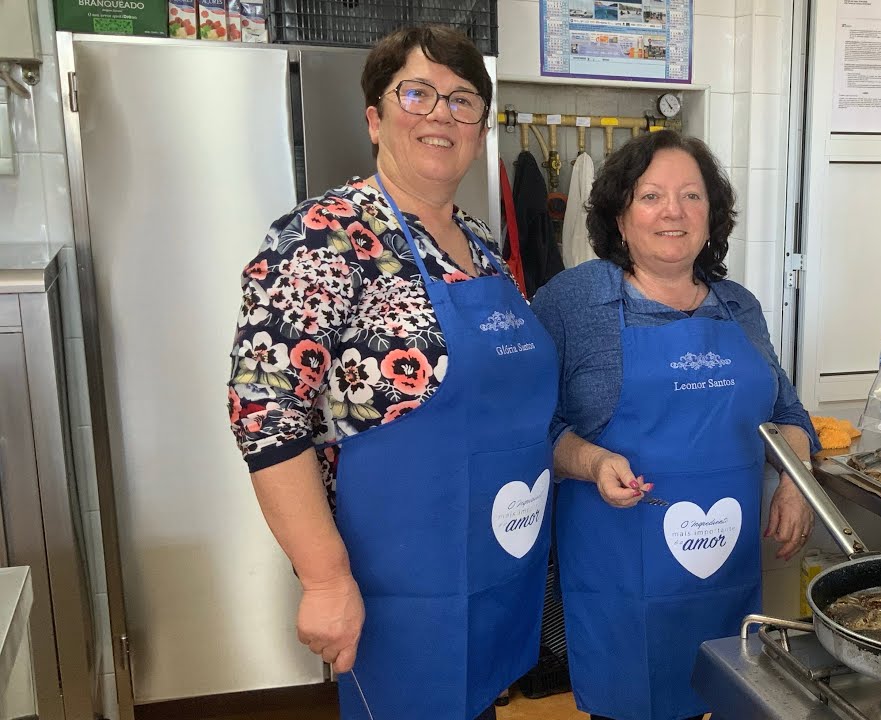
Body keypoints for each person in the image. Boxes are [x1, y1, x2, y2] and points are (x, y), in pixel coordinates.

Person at [226, 25, 557, 720]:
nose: (442, 114)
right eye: (418, 93)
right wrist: (324, 578)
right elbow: (265, 415)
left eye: (463, 100)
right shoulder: (324, 236)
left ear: (479, 127)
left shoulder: (482, 246)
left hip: (488, 566)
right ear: (375, 118)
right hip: (392, 583)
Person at [530, 130, 819, 720]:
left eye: (691, 196)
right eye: (651, 196)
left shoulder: (739, 306)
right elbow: (532, 427)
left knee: (725, 695)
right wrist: (592, 461)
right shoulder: (573, 302)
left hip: (724, 565)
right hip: (618, 573)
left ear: (712, 217)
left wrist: (796, 478)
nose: (673, 212)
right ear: (619, 216)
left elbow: (788, 414)